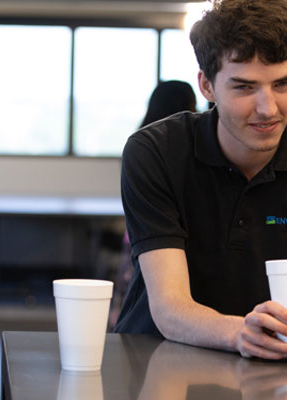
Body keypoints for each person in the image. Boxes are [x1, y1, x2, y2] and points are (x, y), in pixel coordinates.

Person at [114, 0, 287, 360]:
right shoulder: (155, 153)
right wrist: (241, 332)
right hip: (152, 359)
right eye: (244, 87)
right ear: (207, 86)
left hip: (269, 364)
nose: (268, 108)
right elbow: (170, 307)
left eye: (282, 84)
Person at [109, 80, 197, 329]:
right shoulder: (169, 146)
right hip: (171, 238)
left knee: (135, 297)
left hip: (136, 235)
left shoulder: (139, 141)